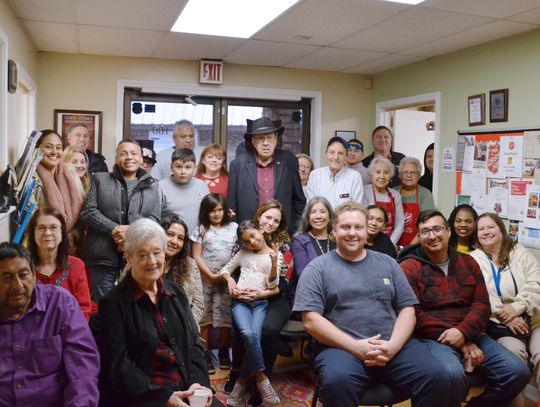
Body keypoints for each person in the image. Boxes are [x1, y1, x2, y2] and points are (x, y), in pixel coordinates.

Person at [293, 202, 451, 407]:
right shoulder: (317, 269)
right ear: (333, 230)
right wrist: (356, 347)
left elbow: (407, 310)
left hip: (393, 345)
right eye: (345, 227)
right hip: (342, 348)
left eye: (358, 227)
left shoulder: (388, 263)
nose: (352, 233)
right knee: (336, 383)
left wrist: (393, 346)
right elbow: (311, 320)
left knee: (437, 377)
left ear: (367, 230)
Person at [399, 210, 530, 407]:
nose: (432, 236)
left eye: (437, 229)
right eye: (425, 231)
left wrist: (463, 333)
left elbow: (481, 304)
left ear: (448, 232)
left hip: (472, 334)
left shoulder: (468, 262)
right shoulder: (409, 267)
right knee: (451, 375)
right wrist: (460, 340)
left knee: (518, 372)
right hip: (432, 338)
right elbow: (414, 313)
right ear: (419, 236)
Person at [97, 219, 222, 407]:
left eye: (156, 253)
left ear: (164, 254)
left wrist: (198, 384)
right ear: (128, 257)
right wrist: (165, 398)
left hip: (186, 388)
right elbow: (119, 367)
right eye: (142, 255)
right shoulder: (112, 304)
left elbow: (194, 345)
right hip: (146, 396)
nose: (152, 261)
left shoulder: (176, 293)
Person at [0, 242, 100, 406]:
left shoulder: (59, 304)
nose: (17, 285)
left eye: (23, 275)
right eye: (7, 277)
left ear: (34, 275)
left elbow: (83, 371)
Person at [225, 200, 293, 404]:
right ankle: (237, 371)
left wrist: (261, 295)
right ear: (259, 216)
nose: (271, 223)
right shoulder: (243, 237)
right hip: (245, 295)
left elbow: (284, 282)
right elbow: (233, 270)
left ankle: (256, 380)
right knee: (241, 330)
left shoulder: (284, 245)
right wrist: (234, 287)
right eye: (268, 217)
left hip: (275, 298)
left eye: (276, 220)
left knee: (268, 330)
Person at [471, 213, 540, 406]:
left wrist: (517, 308)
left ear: (501, 230)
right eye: (481, 229)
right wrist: (507, 315)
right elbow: (480, 293)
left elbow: (536, 283)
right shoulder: (473, 260)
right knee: (515, 362)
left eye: (490, 227)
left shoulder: (520, 253)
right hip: (500, 325)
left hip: (534, 320)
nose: (486, 232)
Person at [80, 138, 161, 301]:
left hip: (137, 257)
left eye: (134, 153)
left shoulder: (153, 186)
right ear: (116, 158)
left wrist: (130, 233)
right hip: (102, 256)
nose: (129, 157)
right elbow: (88, 212)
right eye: (123, 153)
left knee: (133, 304)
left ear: (141, 158)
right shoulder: (100, 179)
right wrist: (115, 229)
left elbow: (154, 219)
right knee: (104, 304)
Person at [219, 221, 282, 407]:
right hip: (240, 304)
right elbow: (224, 270)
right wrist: (230, 279)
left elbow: (272, 286)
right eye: (247, 240)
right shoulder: (243, 254)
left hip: (260, 304)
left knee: (255, 336)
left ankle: (239, 387)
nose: (252, 242)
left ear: (261, 230)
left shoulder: (274, 255)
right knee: (248, 334)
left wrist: (273, 263)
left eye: (254, 236)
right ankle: (263, 380)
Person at [227, 116, 305, 236]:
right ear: (253, 141)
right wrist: (236, 233)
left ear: (276, 140)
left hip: (282, 233)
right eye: (260, 138)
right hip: (249, 234)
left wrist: (296, 230)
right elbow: (232, 205)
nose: (266, 143)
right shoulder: (238, 164)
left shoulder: (288, 160)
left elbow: (299, 200)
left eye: (269, 138)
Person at [191, 193, 237, 374]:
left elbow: (238, 253)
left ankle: (224, 350)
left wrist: (225, 274)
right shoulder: (202, 228)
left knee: (225, 316)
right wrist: (209, 274)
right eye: (212, 211)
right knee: (205, 317)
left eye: (220, 210)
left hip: (226, 279)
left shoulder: (233, 227)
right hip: (205, 278)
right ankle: (205, 352)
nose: (217, 214)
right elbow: (195, 255)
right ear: (206, 212)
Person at [27, 208, 92, 320]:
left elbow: (84, 309)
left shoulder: (77, 266)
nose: (47, 233)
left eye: (53, 228)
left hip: (69, 333)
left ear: (62, 234)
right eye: (41, 228)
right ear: (33, 234)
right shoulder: (23, 267)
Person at [35, 130, 84, 234]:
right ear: (37, 149)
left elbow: (83, 206)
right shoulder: (32, 177)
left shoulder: (70, 170)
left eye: (58, 147)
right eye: (48, 147)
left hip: (73, 238)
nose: (54, 152)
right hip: (45, 236)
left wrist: (73, 235)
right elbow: (31, 220)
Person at [161, 216, 204, 325]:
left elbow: (198, 304)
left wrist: (189, 328)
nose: (174, 241)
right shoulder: (142, 259)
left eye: (180, 238)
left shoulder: (190, 265)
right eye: (170, 234)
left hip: (181, 328)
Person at [160, 148, 210, 233]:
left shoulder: (202, 186)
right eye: (178, 167)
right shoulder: (160, 187)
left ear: (195, 168)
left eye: (188, 167)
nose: (183, 171)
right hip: (170, 241)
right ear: (171, 168)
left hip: (198, 240)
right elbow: (153, 219)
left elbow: (209, 212)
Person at [306, 136, 363, 209]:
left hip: (345, 220)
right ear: (326, 154)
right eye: (332, 152)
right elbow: (310, 208)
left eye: (340, 153)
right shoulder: (315, 175)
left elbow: (357, 209)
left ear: (346, 157)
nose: (336, 157)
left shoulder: (354, 177)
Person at [362, 157, 404, 245]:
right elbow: (363, 220)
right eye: (378, 172)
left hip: (390, 241)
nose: (382, 176)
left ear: (391, 176)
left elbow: (400, 223)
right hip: (368, 242)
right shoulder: (363, 191)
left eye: (386, 173)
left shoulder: (395, 195)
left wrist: (389, 244)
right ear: (371, 174)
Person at [291, 196, 335, 279]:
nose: (318, 216)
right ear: (307, 217)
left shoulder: (337, 239)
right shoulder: (301, 241)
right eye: (313, 212)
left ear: (330, 217)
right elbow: (302, 273)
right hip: (312, 289)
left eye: (322, 211)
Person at [397, 156, 435, 247]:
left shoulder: (425, 194)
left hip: (416, 247)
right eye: (405, 172)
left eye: (413, 172)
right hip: (393, 246)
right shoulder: (393, 192)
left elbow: (427, 224)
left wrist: (408, 249)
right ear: (400, 175)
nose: (409, 175)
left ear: (418, 176)